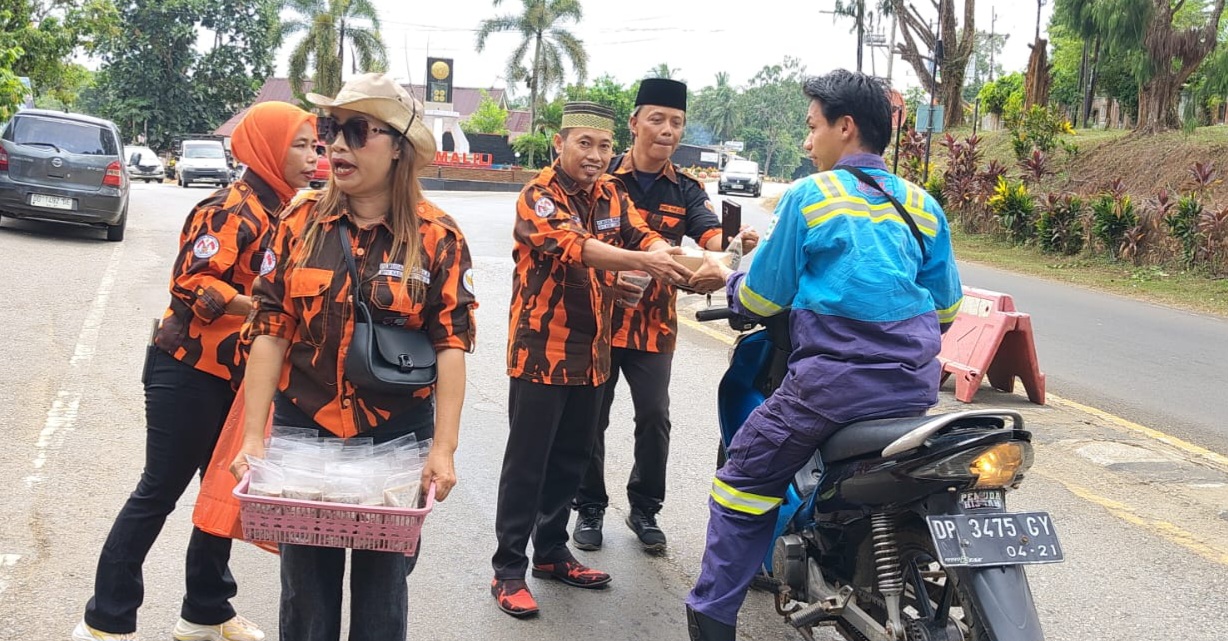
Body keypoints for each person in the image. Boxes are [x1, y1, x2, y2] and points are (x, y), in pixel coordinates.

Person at [683, 69, 965, 640]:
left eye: (812, 129)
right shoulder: (923, 205)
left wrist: (729, 282)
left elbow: (764, 295)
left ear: (845, 126)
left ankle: (711, 617)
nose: (807, 143)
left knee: (742, 478)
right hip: (912, 390)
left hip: (830, 388)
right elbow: (946, 309)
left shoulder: (811, 196)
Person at [229, 72, 476, 641]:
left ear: (398, 149)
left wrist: (444, 448)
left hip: (395, 436)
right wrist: (253, 437)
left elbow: (451, 344)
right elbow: (270, 329)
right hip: (306, 428)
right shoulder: (299, 222)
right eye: (330, 129)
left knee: (382, 599)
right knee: (306, 600)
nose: (336, 145)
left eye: (357, 131)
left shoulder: (439, 236)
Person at [73, 102, 319, 641]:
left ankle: (206, 612)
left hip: (236, 378)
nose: (313, 155)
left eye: (315, 145)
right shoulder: (233, 208)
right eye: (299, 144)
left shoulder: (284, 211)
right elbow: (192, 283)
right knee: (159, 491)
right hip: (187, 370)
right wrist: (265, 309)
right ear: (266, 147)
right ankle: (105, 621)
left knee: (222, 496)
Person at [490, 101, 694, 618]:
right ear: (559, 144)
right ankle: (508, 568)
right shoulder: (538, 196)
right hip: (543, 350)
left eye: (604, 146)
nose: (596, 156)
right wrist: (642, 261)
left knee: (571, 458)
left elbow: (637, 231)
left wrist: (659, 252)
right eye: (585, 144)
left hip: (593, 353)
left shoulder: (611, 193)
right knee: (527, 464)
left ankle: (552, 553)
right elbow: (576, 246)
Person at [571, 78, 759, 554]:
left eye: (676, 122)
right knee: (591, 417)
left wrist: (733, 249)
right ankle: (589, 506)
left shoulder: (688, 188)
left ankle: (645, 508)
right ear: (635, 123)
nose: (667, 130)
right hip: (598, 319)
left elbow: (711, 236)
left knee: (654, 416)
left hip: (653, 325)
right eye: (657, 119)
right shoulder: (602, 177)